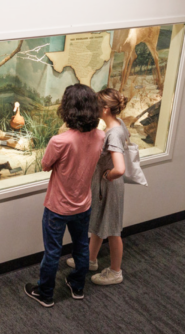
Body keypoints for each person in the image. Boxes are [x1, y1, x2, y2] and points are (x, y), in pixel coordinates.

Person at [25, 84, 105, 307]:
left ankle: (46, 294)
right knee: (81, 247)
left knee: (52, 252)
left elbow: (44, 165)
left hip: (57, 207)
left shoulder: (60, 141)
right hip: (83, 205)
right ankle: (78, 287)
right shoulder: (100, 136)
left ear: (67, 108)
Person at [67, 88, 129, 285]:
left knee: (112, 229)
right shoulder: (118, 125)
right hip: (105, 186)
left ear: (104, 109)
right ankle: (90, 259)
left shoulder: (113, 134)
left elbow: (119, 168)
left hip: (110, 186)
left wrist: (106, 175)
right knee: (99, 222)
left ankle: (115, 271)